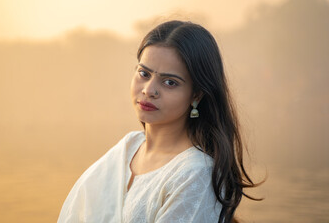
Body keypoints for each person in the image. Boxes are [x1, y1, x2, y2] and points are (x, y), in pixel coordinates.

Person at [57, 20, 261, 223]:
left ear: (196, 95)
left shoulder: (195, 173)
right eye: (144, 74)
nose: (148, 90)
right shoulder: (128, 148)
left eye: (169, 82)